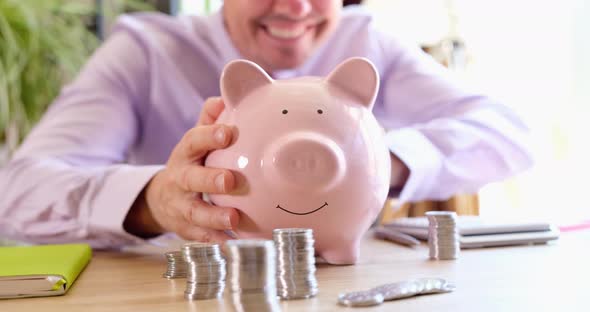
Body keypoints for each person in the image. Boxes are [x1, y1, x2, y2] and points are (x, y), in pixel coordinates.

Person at [0, 0, 532, 248]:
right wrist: (152, 199)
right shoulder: (146, 50)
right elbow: (19, 189)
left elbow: (508, 130)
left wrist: (375, 162)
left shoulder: (366, 41)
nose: (296, 7)